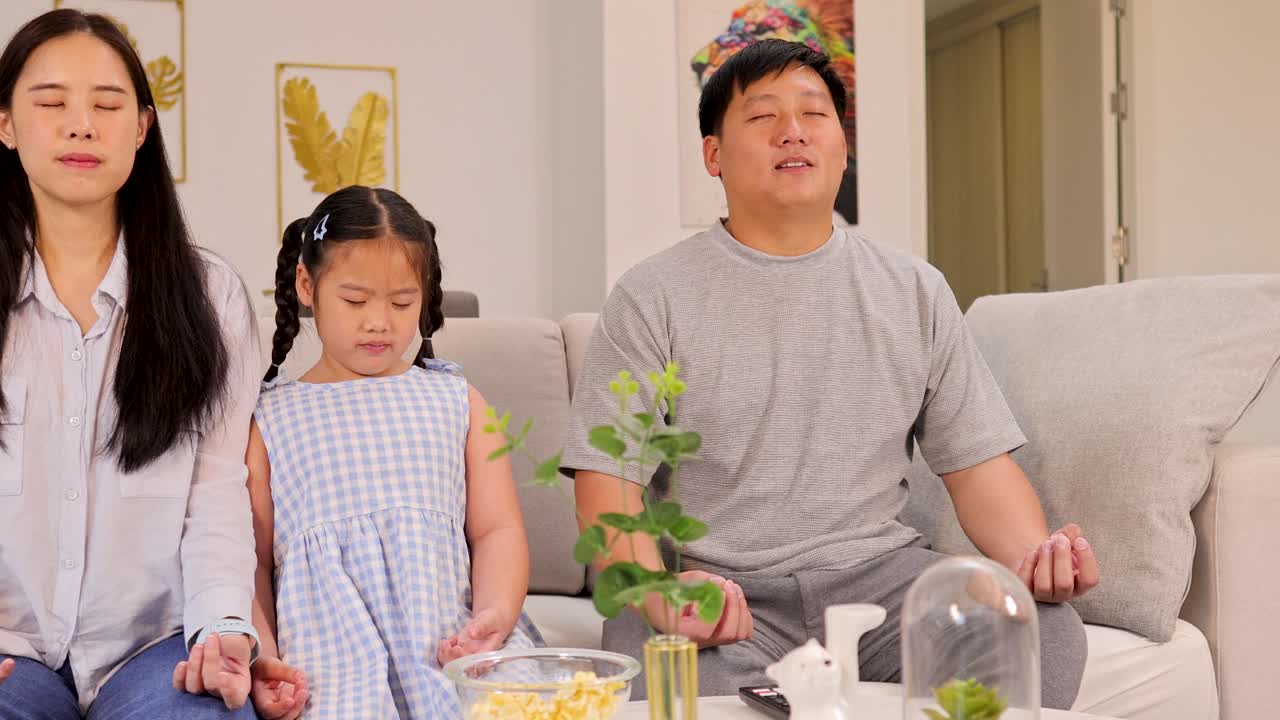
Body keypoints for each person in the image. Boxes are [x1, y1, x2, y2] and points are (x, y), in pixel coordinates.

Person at [561, 39, 1099, 710]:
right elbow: (607, 491)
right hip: (719, 590)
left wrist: (1034, 561)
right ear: (713, 155)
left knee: (1042, 631)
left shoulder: (913, 289)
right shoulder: (651, 296)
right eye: (762, 117)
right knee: (653, 651)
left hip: (884, 582)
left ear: (842, 146)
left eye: (815, 113)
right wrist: (663, 597)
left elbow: (978, 467)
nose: (793, 130)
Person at [0, 9, 276, 718]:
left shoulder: (208, 296)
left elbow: (218, 489)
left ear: (143, 128)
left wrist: (222, 628)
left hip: (159, 646)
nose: (81, 124)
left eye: (108, 104)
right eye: (52, 102)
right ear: (5, 125)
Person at [248, 185, 543, 718]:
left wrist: (494, 614)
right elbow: (251, 561)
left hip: (451, 643)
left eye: (403, 301)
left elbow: (497, 529)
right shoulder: (267, 419)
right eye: (356, 300)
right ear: (307, 285)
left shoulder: (458, 400)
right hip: (332, 659)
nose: (380, 321)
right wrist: (263, 658)